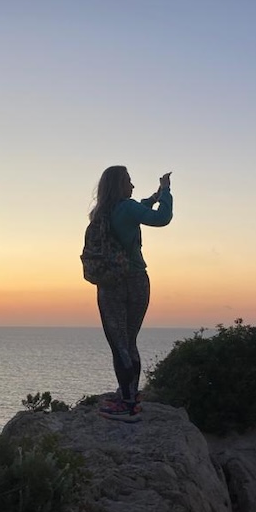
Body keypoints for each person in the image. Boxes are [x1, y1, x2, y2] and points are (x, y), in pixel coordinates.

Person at [89, 165, 173, 422]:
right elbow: (161, 218)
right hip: (137, 281)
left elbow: (141, 208)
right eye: (129, 181)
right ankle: (130, 398)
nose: (133, 186)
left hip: (111, 282)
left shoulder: (104, 212)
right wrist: (167, 192)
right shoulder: (127, 208)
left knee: (119, 345)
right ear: (119, 185)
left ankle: (126, 403)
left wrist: (157, 195)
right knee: (129, 342)